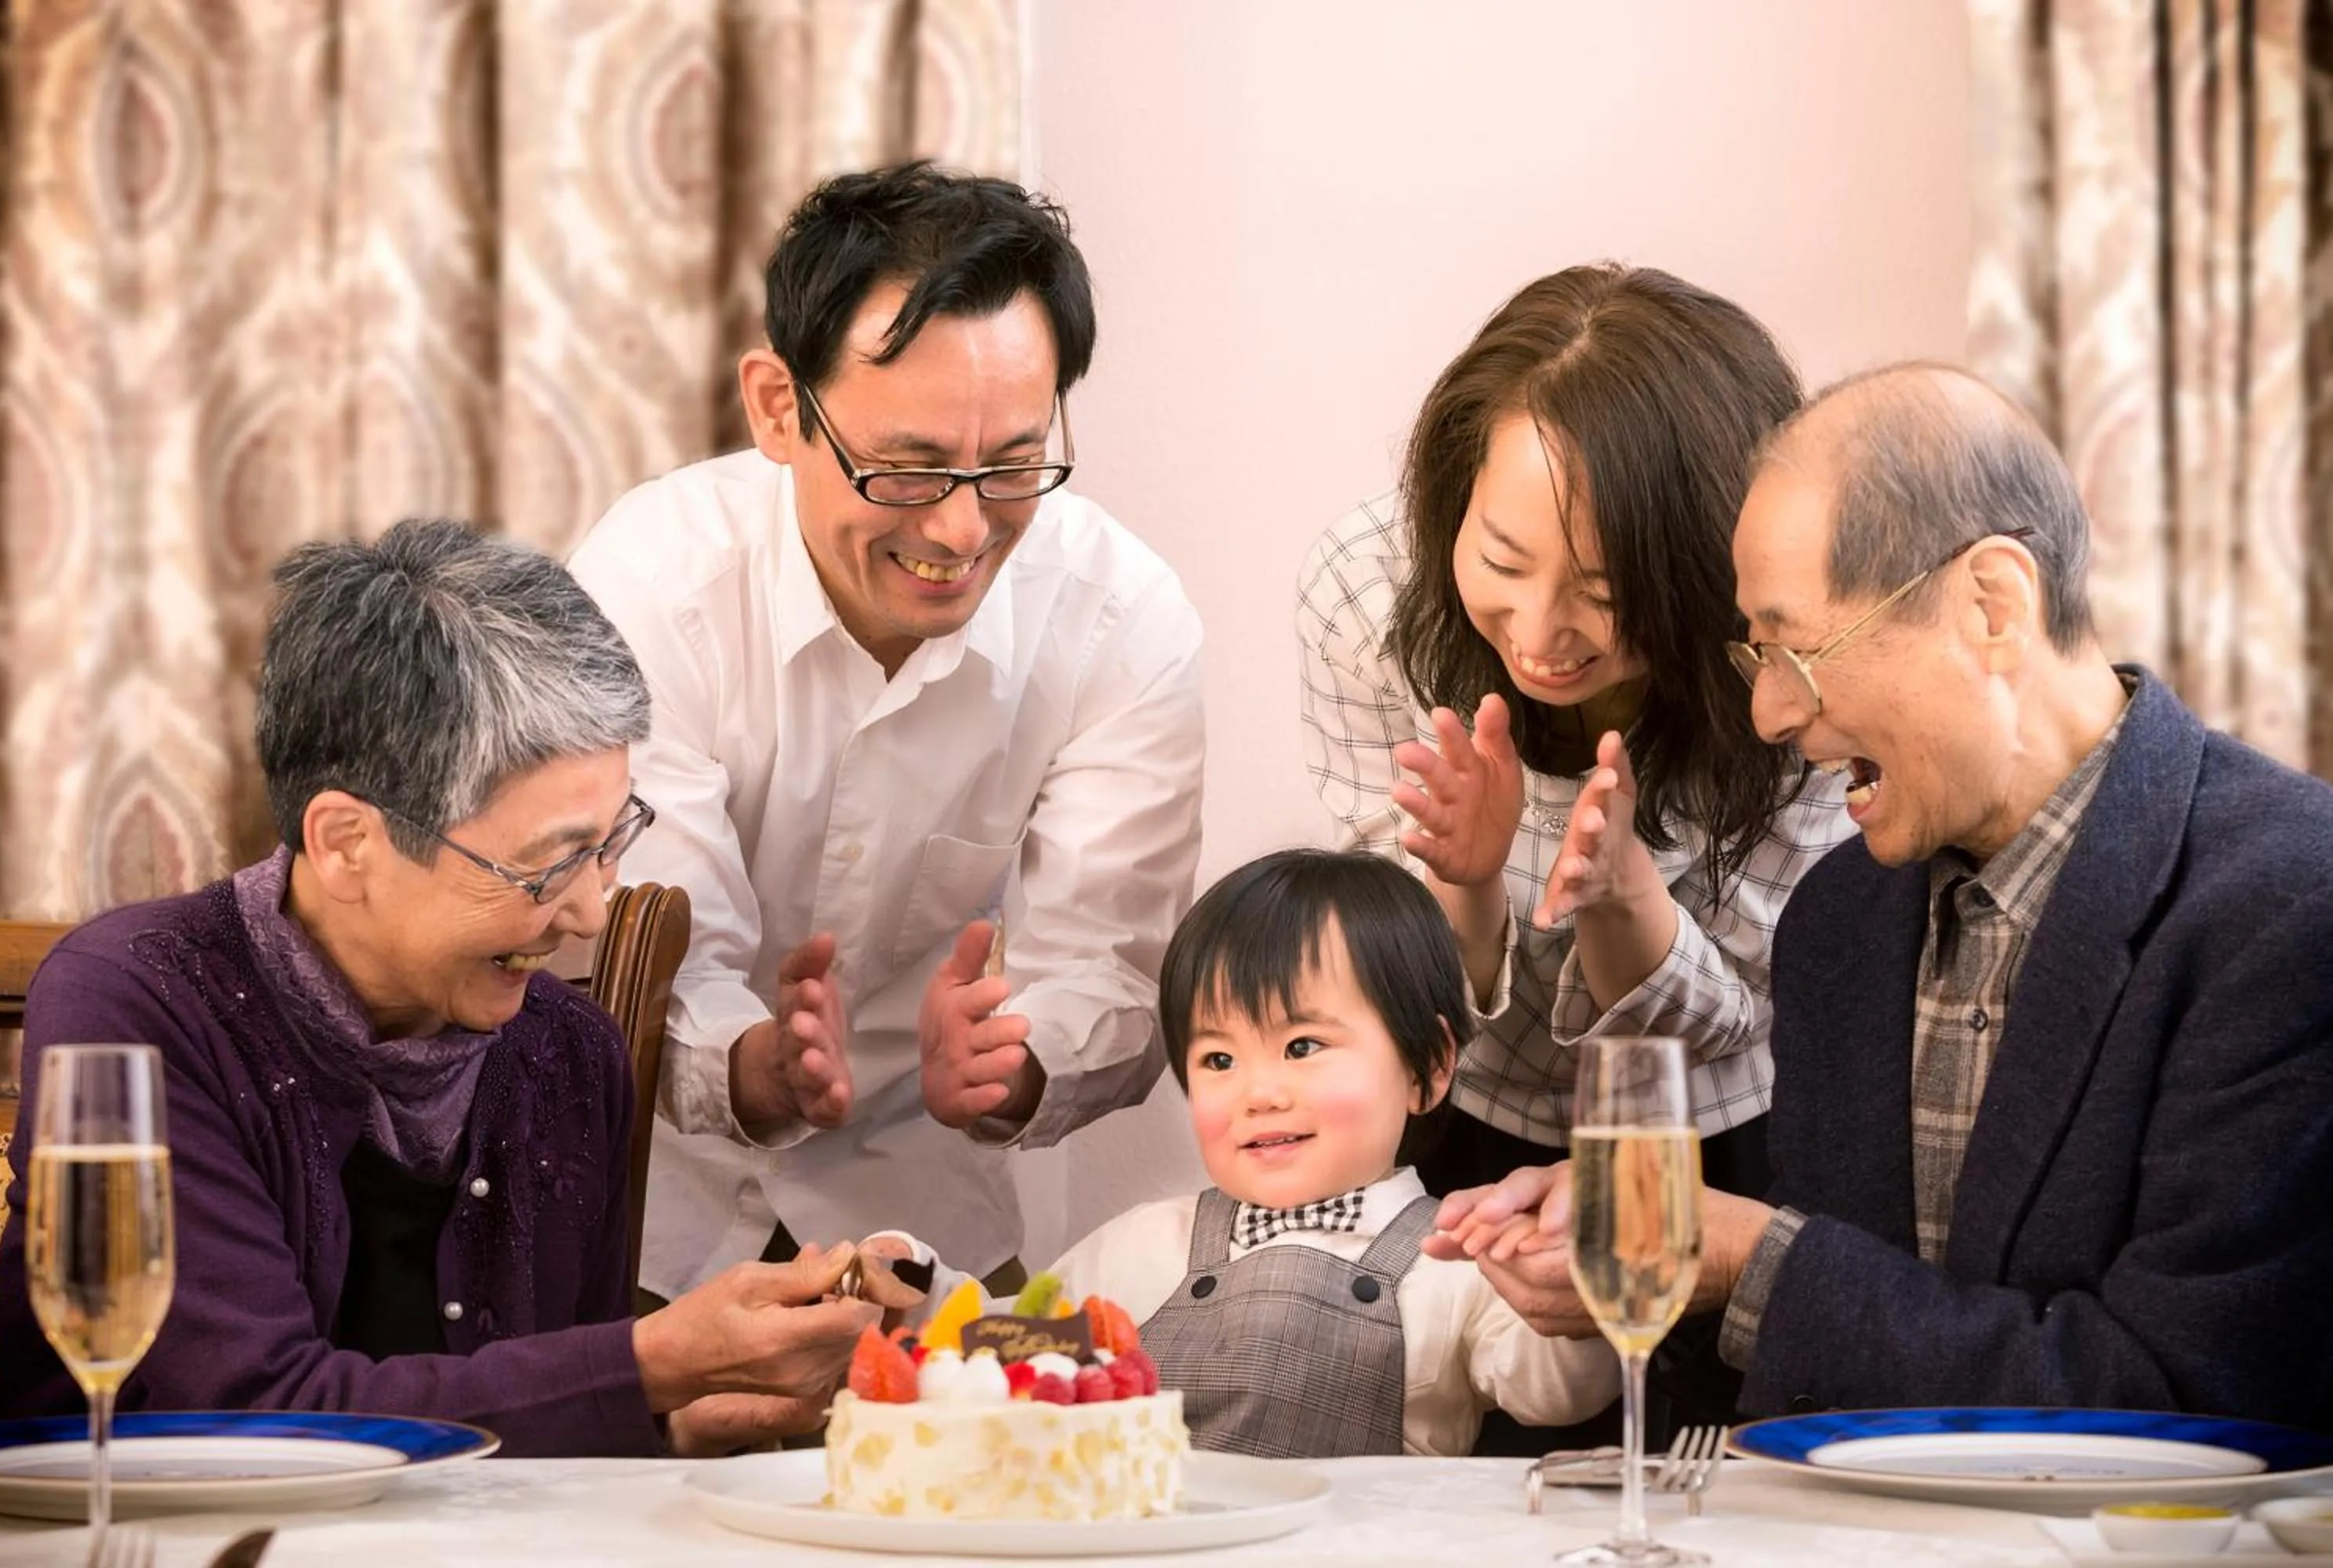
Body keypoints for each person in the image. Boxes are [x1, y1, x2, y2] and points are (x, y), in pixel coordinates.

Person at [1432, 363, 2333, 1432]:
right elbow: (1837, 1376)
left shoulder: (2290, 902)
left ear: (1992, 606)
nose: (1768, 711)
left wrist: (1744, 1259)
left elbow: (2185, 1402)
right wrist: (1639, 1245)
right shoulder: (1840, 923)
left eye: (1797, 649)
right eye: (1754, 653)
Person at [0, 521, 916, 1457]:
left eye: (609, 841)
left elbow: (542, 1454)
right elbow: (252, 1410)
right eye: (548, 864)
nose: (591, 911)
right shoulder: (138, 1005)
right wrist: (649, 1364)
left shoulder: (567, 1051)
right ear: (347, 841)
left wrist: (672, 1425)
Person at [568, 162, 1203, 1305]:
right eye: (906, 470)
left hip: (937, 1226)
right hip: (652, 1226)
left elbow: (1108, 966)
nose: (961, 529)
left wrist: (1017, 1066)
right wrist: (758, 1070)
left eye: (1014, 466)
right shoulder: (653, 584)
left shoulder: (1123, 619)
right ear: (777, 407)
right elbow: (640, 938)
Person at [1298, 265, 1852, 1209]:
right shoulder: (1365, 589)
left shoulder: (1794, 650)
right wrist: (1462, 880)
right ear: (1452, 494)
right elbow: (1398, 992)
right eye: (1502, 561)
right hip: (1460, 1109)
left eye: (1604, 595)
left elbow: (1737, 1008)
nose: (1541, 634)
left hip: (1713, 1128)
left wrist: (1621, 890)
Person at [878, 850, 1620, 1459]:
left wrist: (1577, 1281)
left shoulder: (1457, 1257)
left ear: (1427, 1067)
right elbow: (1013, 1341)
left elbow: (1557, 1388)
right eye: (1218, 1060)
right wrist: (910, 1285)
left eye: (1302, 1046)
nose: (1258, 1093)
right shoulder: (1145, 1244)